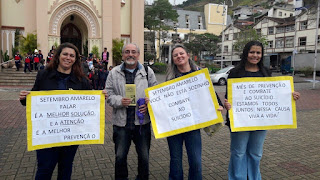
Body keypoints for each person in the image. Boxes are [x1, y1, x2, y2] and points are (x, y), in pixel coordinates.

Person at [19, 42, 107, 180]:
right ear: (58, 56)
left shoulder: (81, 81)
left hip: (70, 136)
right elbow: (34, 98)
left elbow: (89, 105)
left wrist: (100, 97)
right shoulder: (44, 75)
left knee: (65, 169)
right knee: (44, 169)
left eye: (72, 56)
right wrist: (24, 98)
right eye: (65, 54)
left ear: (75, 59)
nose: (68, 58)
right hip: (48, 135)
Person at [224, 41, 300, 180]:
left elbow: (273, 95)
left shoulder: (266, 72)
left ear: (262, 54)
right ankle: (237, 177)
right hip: (240, 121)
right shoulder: (235, 72)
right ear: (246, 53)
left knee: (256, 153)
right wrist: (227, 104)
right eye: (252, 52)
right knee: (239, 152)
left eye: (258, 53)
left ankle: (254, 177)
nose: (255, 55)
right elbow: (228, 97)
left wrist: (290, 96)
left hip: (261, 120)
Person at [166, 44, 224, 180]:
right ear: (173, 59)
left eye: (181, 53)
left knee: (196, 161)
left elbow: (210, 93)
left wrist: (219, 106)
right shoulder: (170, 79)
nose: (179, 56)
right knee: (175, 161)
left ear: (188, 55)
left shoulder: (200, 75)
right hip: (174, 126)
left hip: (193, 125)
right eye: (175, 55)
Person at [105, 43, 157, 180]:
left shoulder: (147, 71)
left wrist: (148, 104)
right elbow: (108, 95)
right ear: (123, 55)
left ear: (138, 54)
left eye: (134, 52)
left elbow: (156, 93)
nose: (130, 54)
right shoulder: (114, 72)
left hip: (142, 123)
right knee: (120, 157)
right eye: (127, 51)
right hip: (122, 124)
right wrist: (119, 101)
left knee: (144, 157)